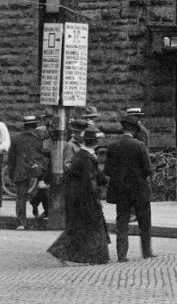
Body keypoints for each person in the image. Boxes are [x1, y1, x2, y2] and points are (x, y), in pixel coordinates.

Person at [47, 128, 110, 264]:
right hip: (86, 199)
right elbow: (90, 179)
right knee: (85, 228)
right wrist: (97, 196)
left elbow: (95, 176)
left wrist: (105, 180)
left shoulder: (83, 155)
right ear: (95, 142)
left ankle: (93, 256)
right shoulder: (86, 157)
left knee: (83, 228)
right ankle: (95, 257)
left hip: (80, 198)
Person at [105, 113, 153, 261]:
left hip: (121, 191)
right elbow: (147, 169)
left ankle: (121, 254)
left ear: (123, 128)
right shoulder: (140, 146)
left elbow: (107, 170)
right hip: (139, 190)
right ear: (135, 130)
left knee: (122, 223)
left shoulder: (113, 146)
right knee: (144, 222)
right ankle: (146, 252)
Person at [8, 115, 47, 230]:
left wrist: (11, 174)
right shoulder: (38, 139)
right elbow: (42, 155)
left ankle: (21, 223)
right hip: (36, 170)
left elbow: (11, 159)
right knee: (42, 190)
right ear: (35, 126)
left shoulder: (16, 139)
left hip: (21, 171)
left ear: (24, 126)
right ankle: (36, 203)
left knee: (21, 198)